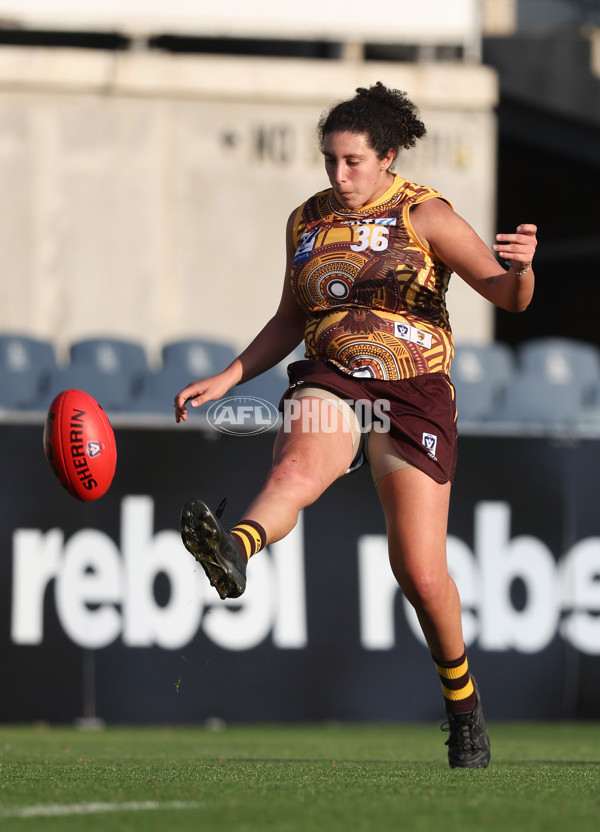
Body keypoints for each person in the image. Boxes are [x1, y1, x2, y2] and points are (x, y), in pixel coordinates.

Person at [174, 82, 537, 769]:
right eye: (330, 160)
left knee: (420, 573)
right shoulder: (306, 220)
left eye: (353, 162)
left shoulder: (425, 213)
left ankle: (464, 712)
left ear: (388, 156)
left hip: (414, 390)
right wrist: (229, 376)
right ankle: (237, 549)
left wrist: (521, 273)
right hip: (332, 374)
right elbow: (290, 318)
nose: (339, 175)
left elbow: (505, 296)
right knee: (295, 470)